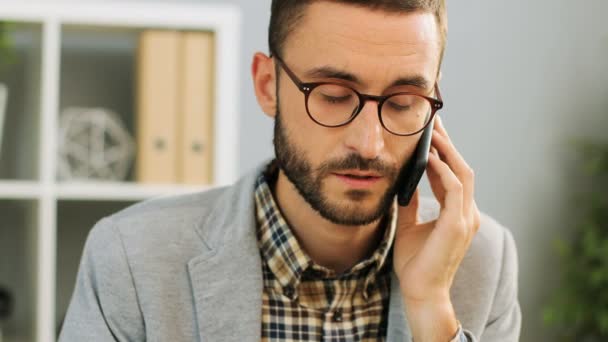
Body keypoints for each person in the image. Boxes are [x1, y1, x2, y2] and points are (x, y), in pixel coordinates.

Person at [59, 1, 521, 341]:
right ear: (267, 86)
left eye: (403, 103)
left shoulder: (483, 261)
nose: (369, 143)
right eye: (334, 94)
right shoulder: (130, 259)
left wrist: (431, 311)